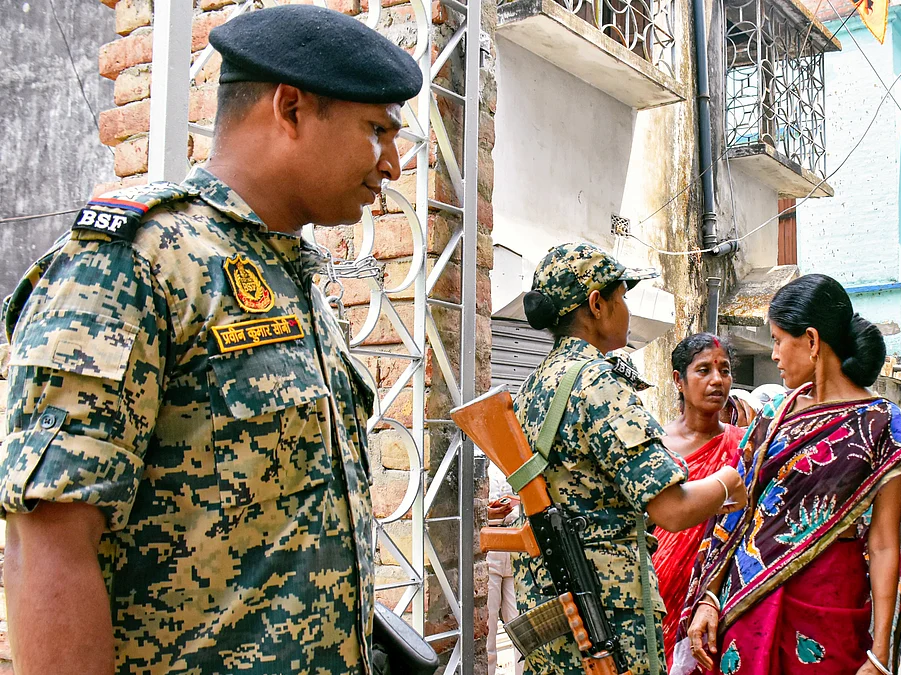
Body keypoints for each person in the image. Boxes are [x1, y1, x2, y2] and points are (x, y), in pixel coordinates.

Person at [0, 6, 422, 672]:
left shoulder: (296, 279)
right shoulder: (134, 263)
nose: (392, 164)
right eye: (377, 130)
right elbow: (50, 542)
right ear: (290, 109)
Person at [678, 274, 901, 675]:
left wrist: (881, 651)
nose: (775, 354)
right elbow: (734, 510)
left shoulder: (881, 424)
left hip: (829, 604)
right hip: (745, 603)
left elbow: (887, 543)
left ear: (812, 342)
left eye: (779, 340)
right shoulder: (773, 416)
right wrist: (709, 597)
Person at [513, 243, 749, 675]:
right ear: (596, 304)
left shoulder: (533, 385)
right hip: (604, 616)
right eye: (621, 296)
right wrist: (728, 481)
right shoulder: (598, 382)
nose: (626, 308)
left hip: (550, 604)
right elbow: (672, 509)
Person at [653, 333, 747, 666]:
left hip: (718, 596)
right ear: (679, 380)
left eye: (724, 370)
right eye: (703, 370)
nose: (717, 380)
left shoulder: (744, 447)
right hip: (659, 593)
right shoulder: (656, 448)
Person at [487, 462, 523, 675]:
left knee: (522, 628)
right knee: (488, 626)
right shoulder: (477, 458)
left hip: (517, 545)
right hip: (490, 545)